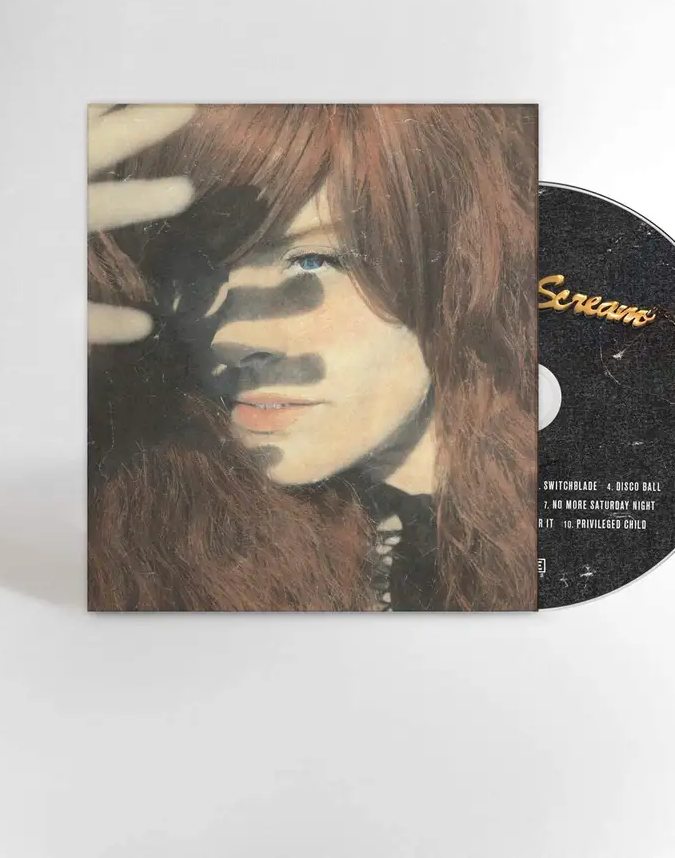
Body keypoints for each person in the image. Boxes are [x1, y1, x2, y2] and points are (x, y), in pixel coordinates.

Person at [87, 104, 537, 611]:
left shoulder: (554, 501)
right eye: (195, 270)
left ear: (455, 270)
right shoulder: (149, 520)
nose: (234, 337)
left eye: (313, 260)